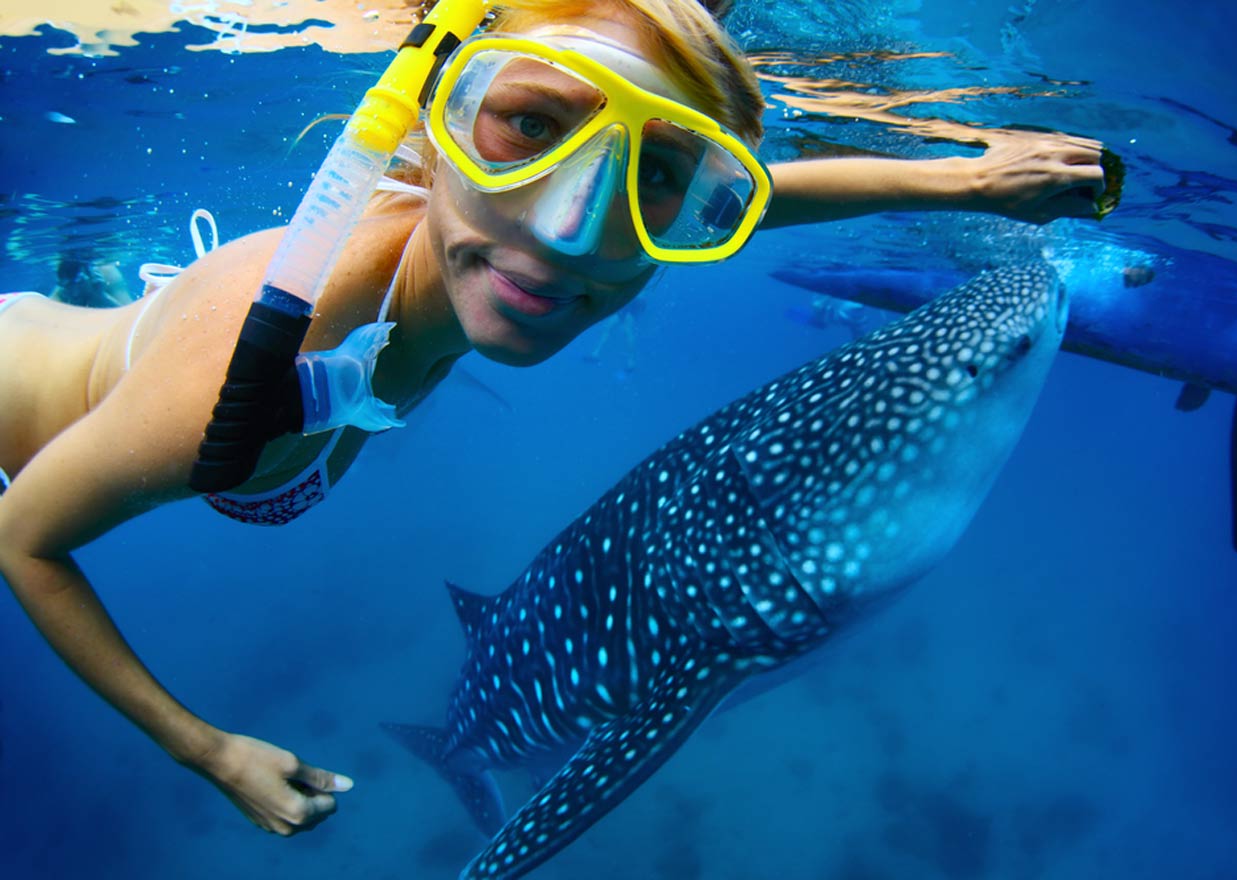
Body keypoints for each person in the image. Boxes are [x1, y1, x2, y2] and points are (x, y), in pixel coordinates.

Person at [0, 0, 1107, 839]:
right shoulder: (232, 380)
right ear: (431, 137)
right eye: (526, 125)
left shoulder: (493, 242)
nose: (572, 228)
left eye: (658, 173)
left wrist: (966, 181)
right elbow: (25, 538)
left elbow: (757, 198)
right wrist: (208, 750)